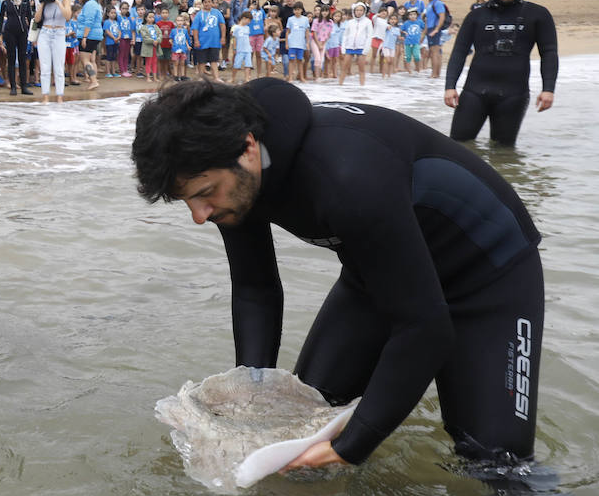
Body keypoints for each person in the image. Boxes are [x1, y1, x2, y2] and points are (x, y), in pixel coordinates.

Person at [130, 77, 545, 469]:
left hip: (488, 280)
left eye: (204, 194)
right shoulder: (231, 177)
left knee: (494, 465)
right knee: (307, 414)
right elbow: (256, 288)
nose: (200, 216)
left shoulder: (346, 177)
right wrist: (251, 400)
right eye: (188, 201)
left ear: (248, 149)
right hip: (378, 277)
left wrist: (353, 446)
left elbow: (425, 327)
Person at [445, 0, 558, 146]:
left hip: (513, 96)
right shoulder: (477, 15)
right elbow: (459, 51)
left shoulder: (538, 15)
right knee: (458, 146)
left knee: (504, 154)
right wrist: (450, 86)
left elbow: (549, 53)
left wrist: (548, 89)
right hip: (474, 92)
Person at [34, 0, 73, 102]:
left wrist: (57, 1)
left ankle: (59, 96)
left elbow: (67, 16)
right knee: (45, 67)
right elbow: (36, 19)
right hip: (45, 33)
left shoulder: (65, 0)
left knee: (59, 67)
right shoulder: (45, 0)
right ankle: (45, 96)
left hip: (59, 33)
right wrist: (43, 2)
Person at [0, 0, 33, 96]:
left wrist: (32, 34)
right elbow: (1, 19)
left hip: (23, 32)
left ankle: (24, 86)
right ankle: (13, 86)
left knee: (23, 59)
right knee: (11, 59)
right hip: (9, 32)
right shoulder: (6, 1)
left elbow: (30, 17)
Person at [191, 0, 226, 80]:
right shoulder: (199, 14)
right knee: (202, 61)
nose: (207, 4)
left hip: (214, 42)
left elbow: (222, 25)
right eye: (205, 2)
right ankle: (201, 78)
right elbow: (195, 29)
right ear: (203, 3)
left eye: (209, 2)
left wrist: (223, 37)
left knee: (214, 60)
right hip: (202, 42)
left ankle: (216, 77)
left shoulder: (217, 12)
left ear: (212, 2)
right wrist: (196, 40)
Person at [338, 2, 372, 86]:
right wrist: (343, 48)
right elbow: (345, 35)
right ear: (354, 11)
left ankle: (362, 87)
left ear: (364, 11)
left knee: (361, 69)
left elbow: (369, 36)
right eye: (357, 10)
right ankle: (340, 85)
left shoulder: (368, 22)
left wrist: (366, 49)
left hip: (361, 48)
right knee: (344, 68)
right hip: (349, 47)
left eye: (361, 10)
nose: (359, 12)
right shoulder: (350, 22)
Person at [422, 0, 449, 78]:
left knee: (435, 52)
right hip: (430, 29)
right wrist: (423, 34)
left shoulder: (437, 3)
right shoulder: (429, 5)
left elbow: (442, 16)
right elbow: (427, 20)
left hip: (435, 29)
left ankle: (435, 74)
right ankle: (435, 74)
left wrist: (437, 29)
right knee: (433, 52)